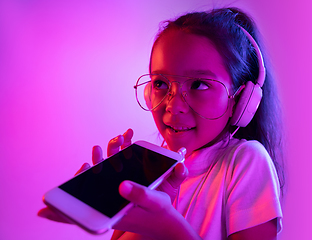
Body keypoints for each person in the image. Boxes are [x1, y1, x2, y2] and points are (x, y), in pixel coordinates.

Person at [39, 7, 285, 240]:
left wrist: (169, 228)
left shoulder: (245, 161)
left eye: (199, 84)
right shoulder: (153, 169)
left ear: (241, 100)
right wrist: (128, 211)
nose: (173, 105)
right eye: (160, 84)